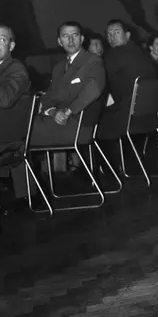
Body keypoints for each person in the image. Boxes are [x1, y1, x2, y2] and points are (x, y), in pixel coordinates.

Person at [30, 21, 106, 146]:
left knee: (21, 130)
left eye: (74, 35)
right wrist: (54, 112)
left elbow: (94, 89)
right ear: (60, 41)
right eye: (65, 36)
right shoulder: (58, 68)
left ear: (81, 39)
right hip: (59, 122)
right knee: (20, 126)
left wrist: (68, 111)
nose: (71, 40)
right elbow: (49, 97)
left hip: (79, 126)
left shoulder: (93, 61)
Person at [0, 24, 32, 205]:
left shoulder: (16, 68)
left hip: (9, 136)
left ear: (11, 46)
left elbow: (5, 99)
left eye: (2, 40)